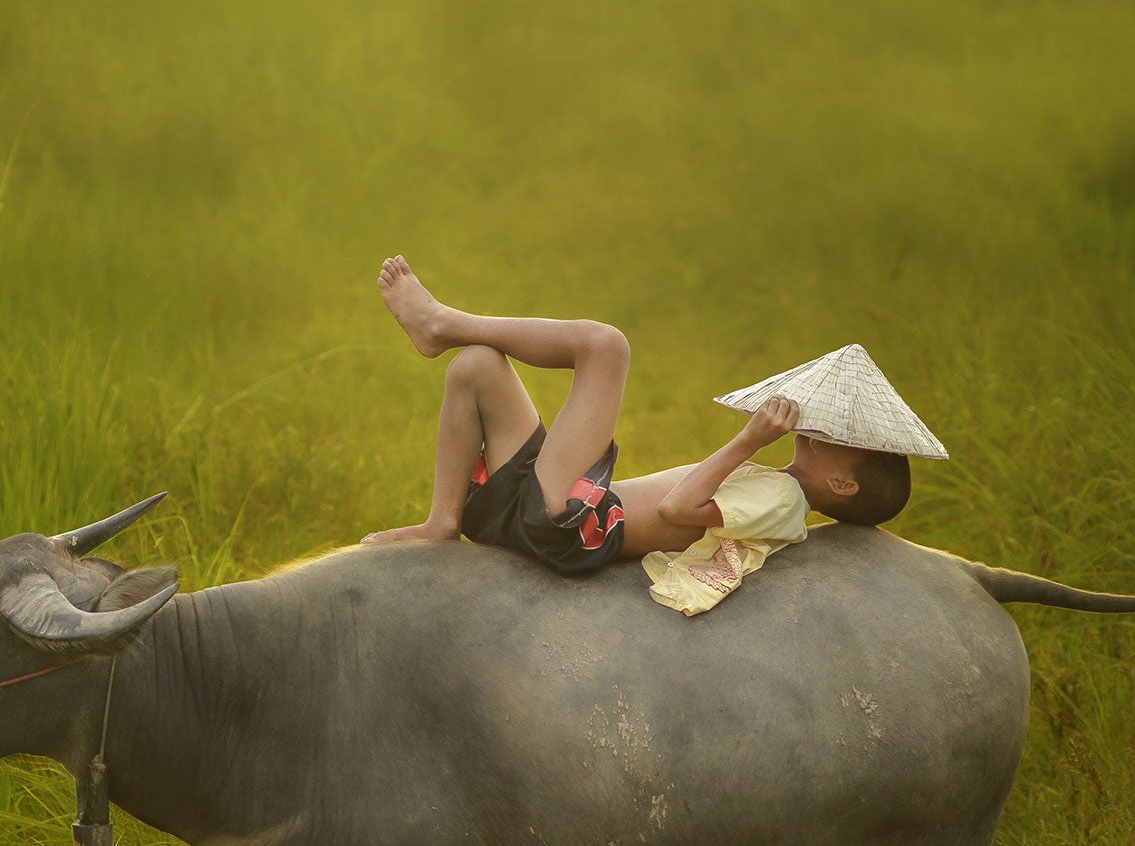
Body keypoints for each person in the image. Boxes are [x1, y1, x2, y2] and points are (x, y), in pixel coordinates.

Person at [361, 258, 920, 612]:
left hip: (573, 528)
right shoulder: (779, 493)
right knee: (477, 367)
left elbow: (679, 508)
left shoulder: (784, 502)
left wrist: (749, 440)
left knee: (606, 347)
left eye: (849, 445)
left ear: (843, 487)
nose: (834, 434)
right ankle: (444, 521)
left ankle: (442, 323)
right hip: (551, 510)